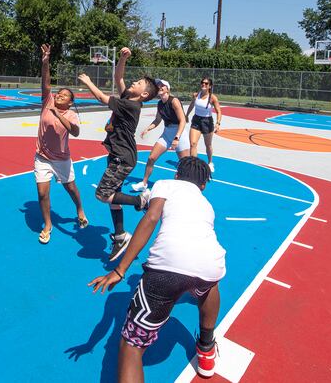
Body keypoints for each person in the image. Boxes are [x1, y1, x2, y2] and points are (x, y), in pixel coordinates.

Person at [89, 156, 225, 381]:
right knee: (209, 286)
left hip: (165, 270)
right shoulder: (206, 205)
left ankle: (199, 342)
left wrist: (120, 270)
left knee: (131, 347)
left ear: (176, 175)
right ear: (203, 185)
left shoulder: (165, 184)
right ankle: (206, 347)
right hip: (210, 265)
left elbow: (151, 217)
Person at [77, 47, 158, 261]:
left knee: (102, 194)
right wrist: (123, 58)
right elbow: (118, 76)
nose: (133, 82)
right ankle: (121, 235)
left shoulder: (131, 106)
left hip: (123, 158)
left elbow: (103, 99)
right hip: (118, 155)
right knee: (114, 199)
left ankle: (141, 200)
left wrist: (88, 82)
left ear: (144, 94)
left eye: (138, 83)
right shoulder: (127, 99)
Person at [34, 43, 88, 244]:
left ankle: (80, 208)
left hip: (62, 159)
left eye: (64, 95)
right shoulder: (47, 102)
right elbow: (46, 83)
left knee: (71, 188)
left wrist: (58, 114)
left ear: (70, 102)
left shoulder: (71, 114)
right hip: (42, 157)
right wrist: (45, 61)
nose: (59, 95)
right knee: (41, 193)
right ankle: (47, 224)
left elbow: (75, 132)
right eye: (59, 93)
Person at [131, 79, 190, 192]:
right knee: (151, 158)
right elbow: (158, 120)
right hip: (167, 133)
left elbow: (182, 120)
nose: (159, 87)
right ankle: (144, 183)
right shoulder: (159, 104)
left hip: (180, 133)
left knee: (185, 164)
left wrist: (177, 138)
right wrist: (148, 129)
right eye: (158, 85)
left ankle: (187, 188)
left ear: (167, 89)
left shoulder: (174, 101)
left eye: (162, 85)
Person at [185, 77, 222, 173]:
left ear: (210, 86)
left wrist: (218, 123)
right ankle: (193, 166)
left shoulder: (212, 98)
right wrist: (186, 115)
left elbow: (218, 111)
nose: (203, 85)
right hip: (196, 120)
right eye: (202, 83)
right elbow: (192, 105)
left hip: (207, 122)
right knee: (193, 144)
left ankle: (210, 163)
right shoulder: (196, 95)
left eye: (206, 83)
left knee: (208, 145)